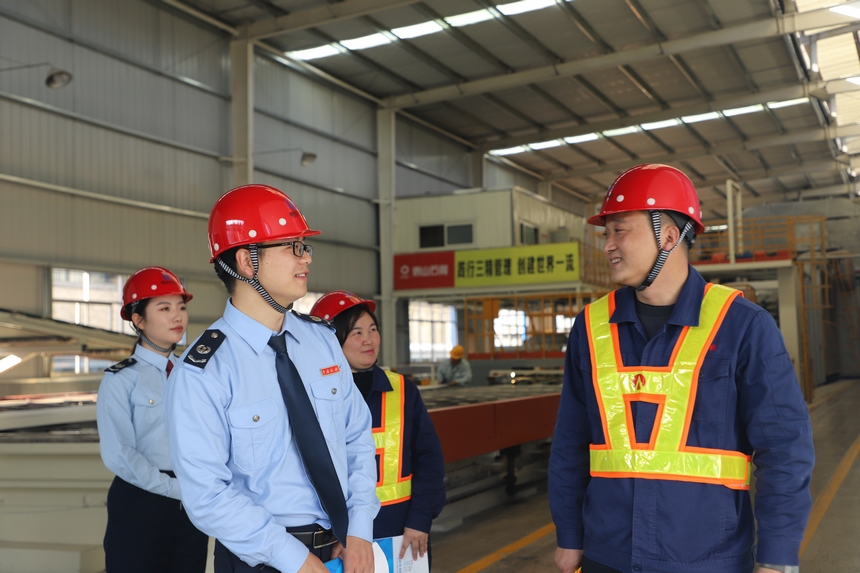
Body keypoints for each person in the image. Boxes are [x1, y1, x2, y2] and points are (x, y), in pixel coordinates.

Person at [548, 164, 814, 573]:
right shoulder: (590, 327)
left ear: (669, 236)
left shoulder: (742, 325)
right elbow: (570, 439)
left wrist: (776, 558)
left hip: (707, 559)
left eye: (620, 230)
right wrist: (569, 535)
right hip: (608, 555)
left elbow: (785, 448)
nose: (608, 246)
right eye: (607, 233)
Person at [165, 184, 379, 573]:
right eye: (291, 246)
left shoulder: (322, 342)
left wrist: (361, 528)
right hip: (264, 560)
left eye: (305, 246)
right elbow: (207, 494)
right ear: (247, 263)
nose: (306, 259)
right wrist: (292, 558)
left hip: (343, 550)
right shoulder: (205, 371)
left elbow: (356, 437)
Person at [310, 291, 446, 565]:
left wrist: (420, 519)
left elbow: (429, 460)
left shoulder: (402, 390)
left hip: (400, 535)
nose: (369, 340)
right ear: (329, 341)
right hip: (336, 541)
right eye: (357, 333)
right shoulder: (312, 396)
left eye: (373, 329)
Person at [96, 266, 207, 573]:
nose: (178, 317)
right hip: (140, 501)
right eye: (165, 308)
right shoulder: (120, 380)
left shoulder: (193, 373)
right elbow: (119, 453)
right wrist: (176, 489)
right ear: (138, 320)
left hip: (191, 501)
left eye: (181, 308)